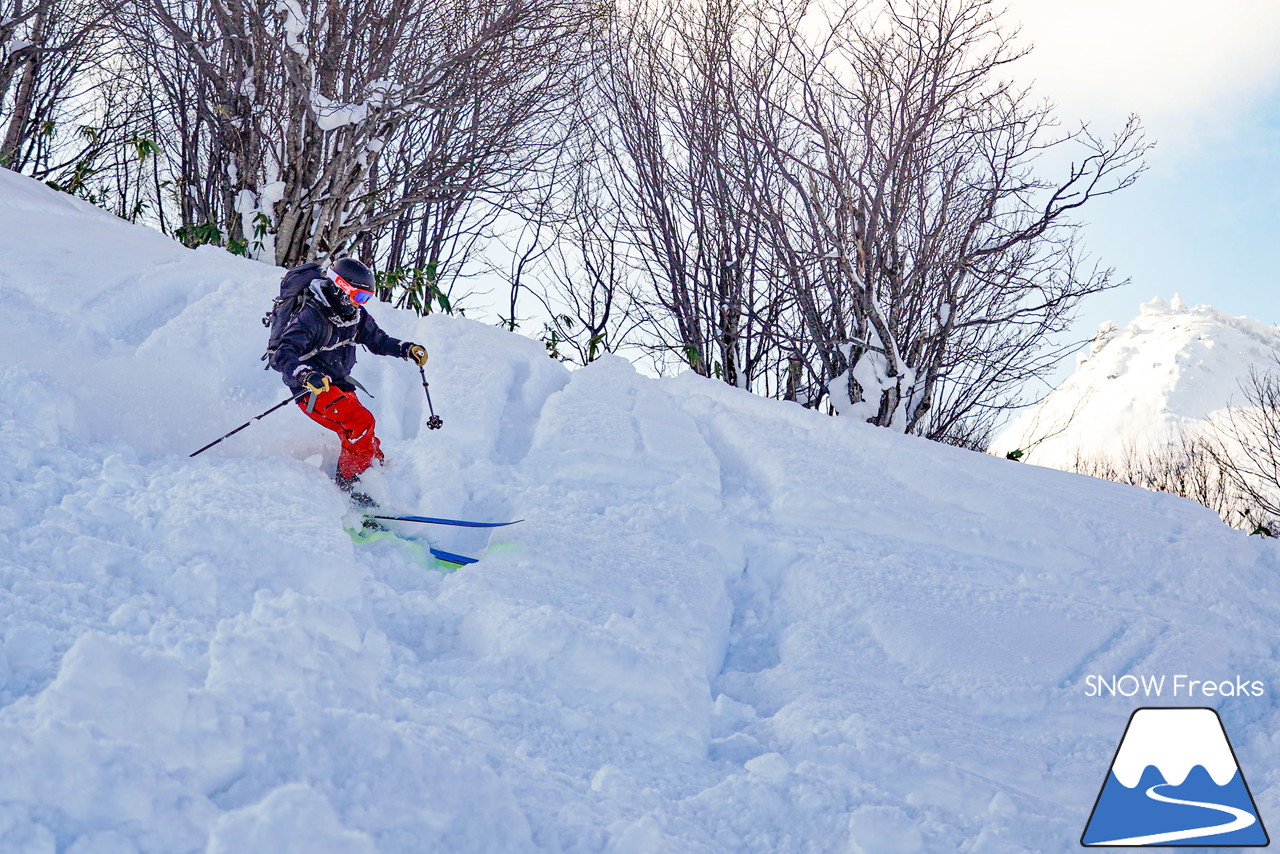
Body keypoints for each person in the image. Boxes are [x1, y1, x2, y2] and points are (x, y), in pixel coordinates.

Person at [269, 257, 427, 505]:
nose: (360, 304)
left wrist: (405, 349)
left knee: (368, 440)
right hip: (312, 387)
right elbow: (283, 353)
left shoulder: (354, 315)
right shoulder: (312, 315)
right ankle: (351, 489)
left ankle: (376, 483)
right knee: (360, 422)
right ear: (340, 287)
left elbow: (378, 340)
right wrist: (304, 374)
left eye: (365, 299)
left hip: (338, 384)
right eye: (359, 297)